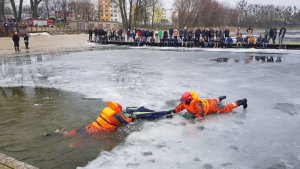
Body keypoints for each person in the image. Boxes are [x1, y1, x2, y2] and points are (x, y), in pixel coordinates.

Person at [66, 101, 133, 137]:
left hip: (87, 127)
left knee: (69, 134)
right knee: (75, 145)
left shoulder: (106, 112)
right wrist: (132, 118)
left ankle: (62, 134)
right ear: (118, 109)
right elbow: (125, 123)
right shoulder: (116, 117)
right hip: (91, 133)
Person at [169, 91, 247, 119]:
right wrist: (174, 110)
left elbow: (201, 113)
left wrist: (194, 116)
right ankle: (219, 98)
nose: (183, 102)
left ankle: (241, 101)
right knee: (213, 100)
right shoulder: (184, 103)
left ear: (189, 99)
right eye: (182, 100)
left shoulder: (196, 104)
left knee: (227, 108)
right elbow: (180, 107)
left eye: (184, 100)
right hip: (207, 102)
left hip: (213, 107)